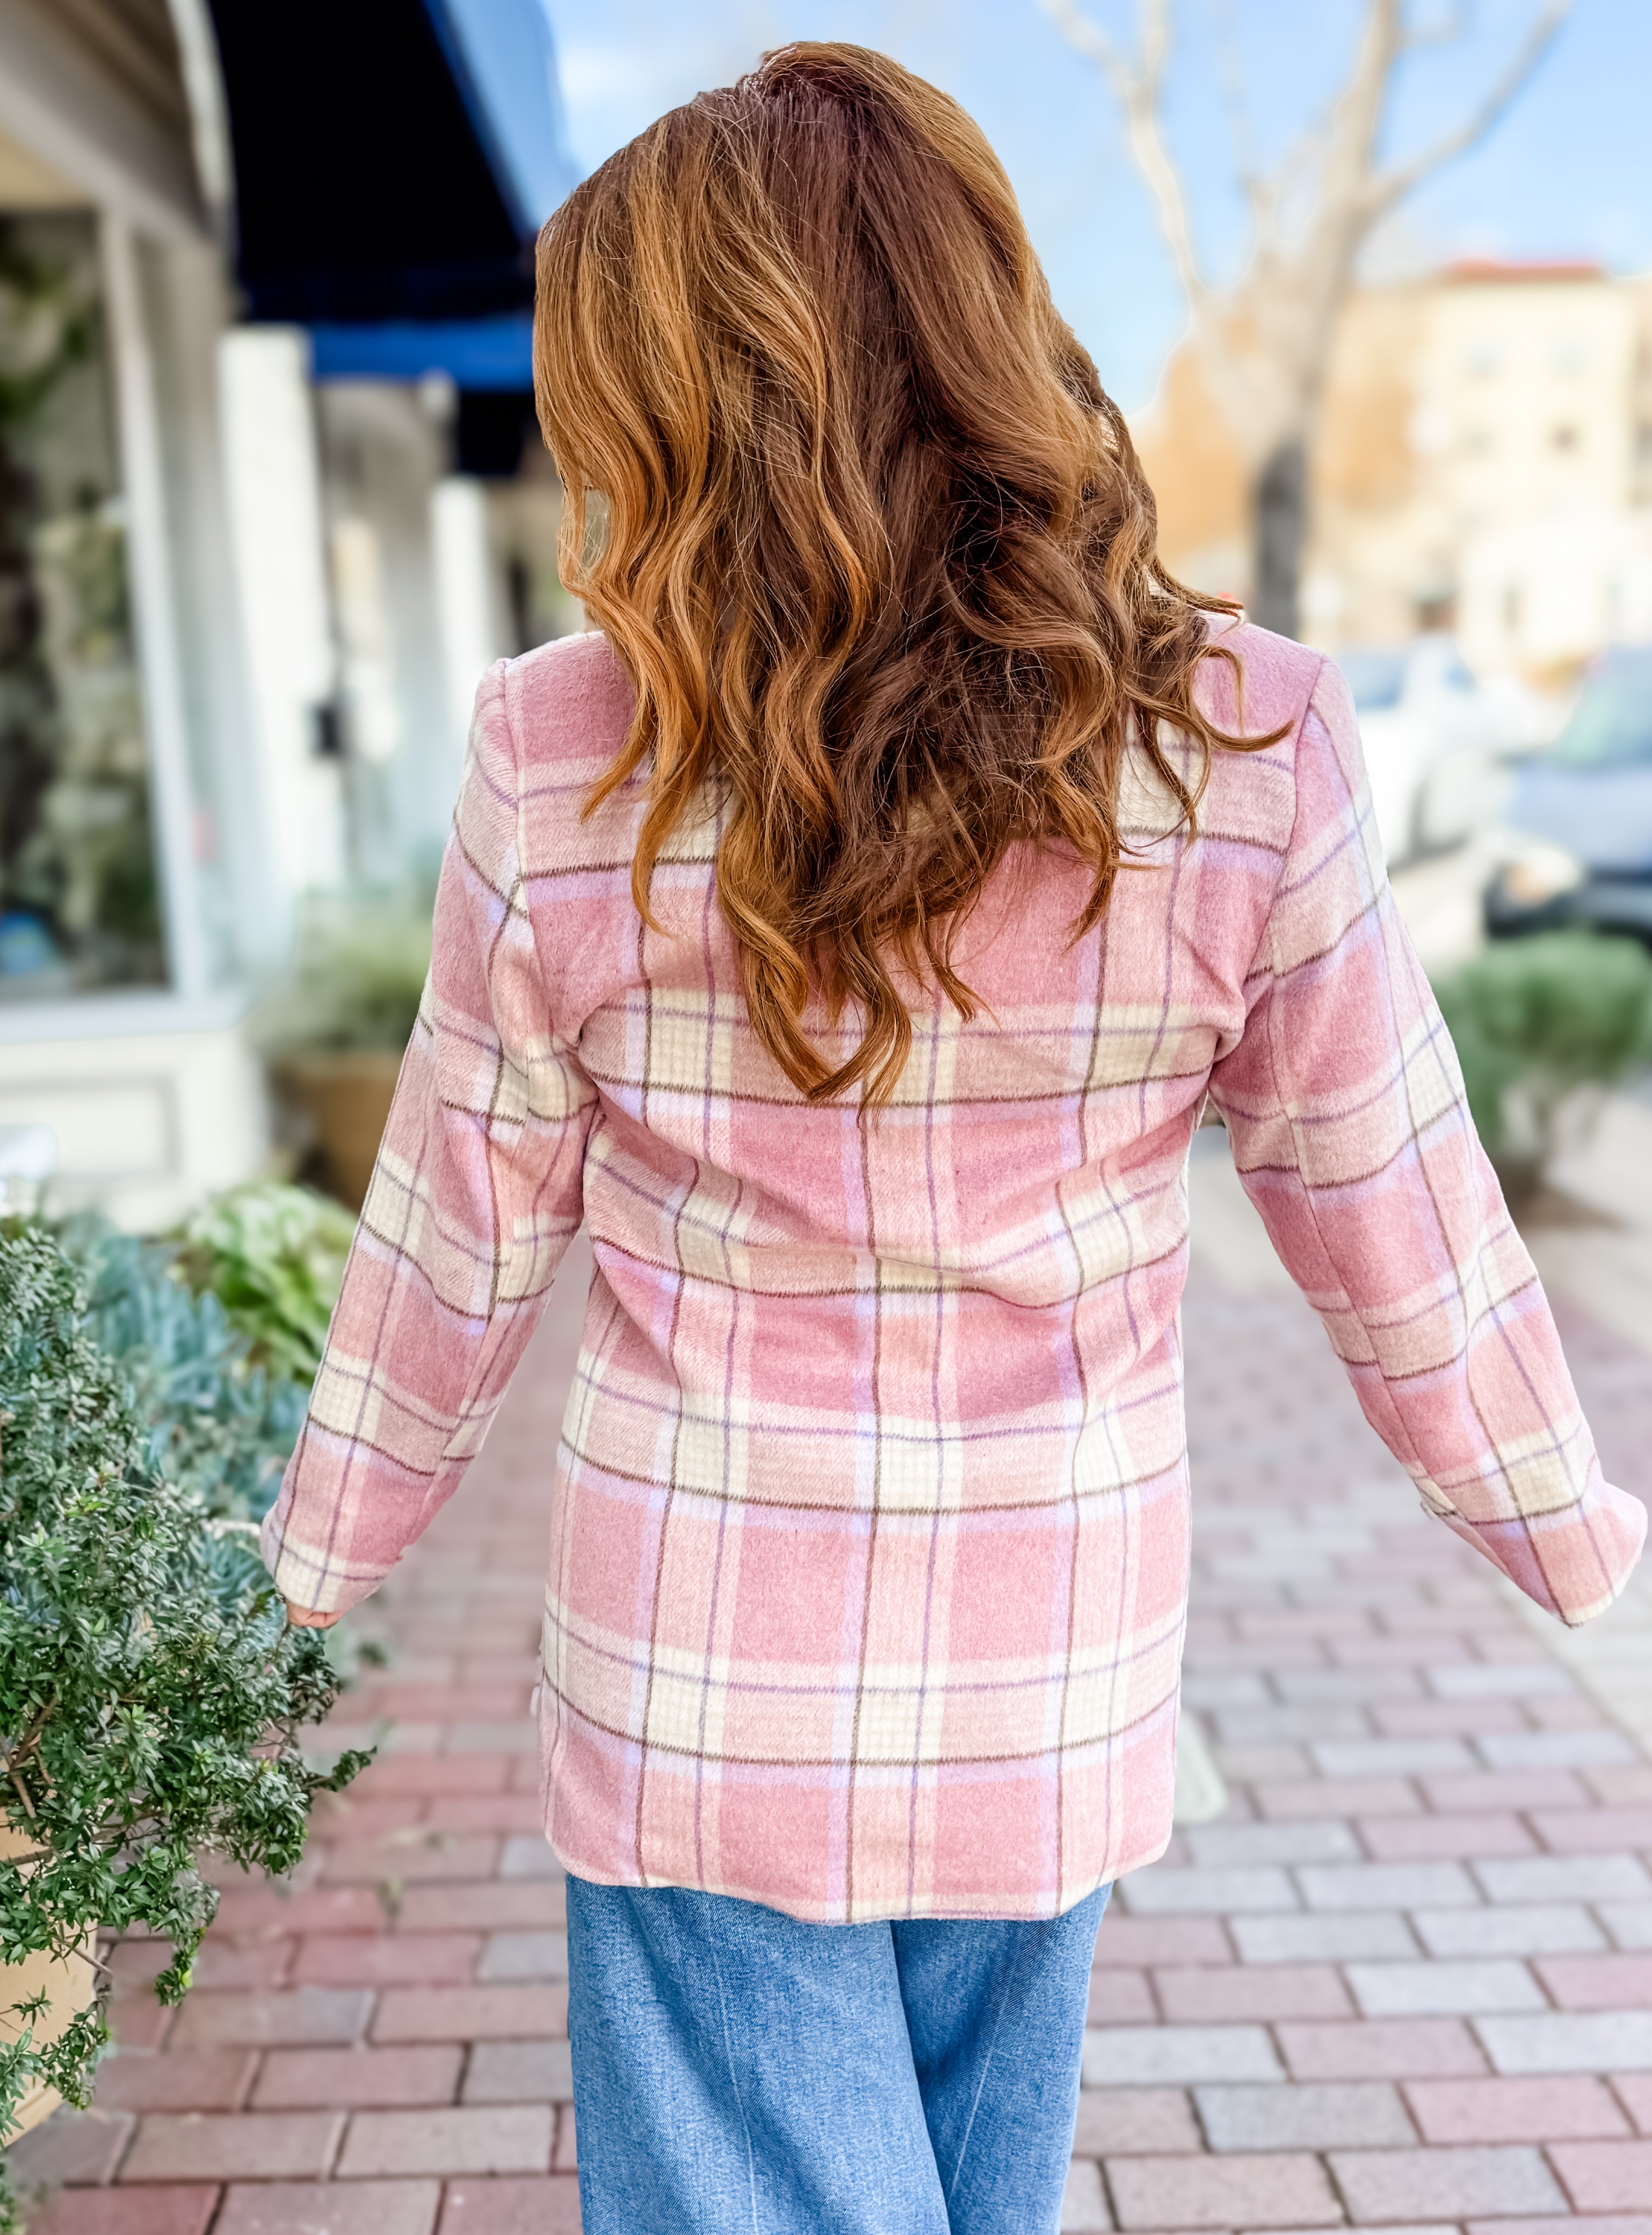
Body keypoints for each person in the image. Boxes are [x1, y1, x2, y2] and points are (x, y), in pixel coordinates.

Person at [263, 42, 1645, 2235]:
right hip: (1048, 1665)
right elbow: (1393, 1204)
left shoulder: (560, 753)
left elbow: (456, 1229)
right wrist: (1573, 1533)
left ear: (688, 399)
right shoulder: (1241, 743)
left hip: (699, 1666)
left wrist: (306, 1564)